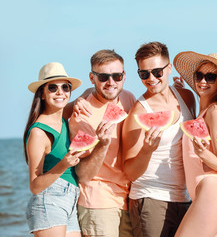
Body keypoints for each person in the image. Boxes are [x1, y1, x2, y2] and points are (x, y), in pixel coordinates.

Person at [122, 42, 196, 237]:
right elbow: (129, 172)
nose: (151, 79)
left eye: (157, 72)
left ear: (169, 68)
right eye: (144, 74)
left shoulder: (187, 97)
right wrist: (147, 150)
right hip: (150, 198)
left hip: (184, 196)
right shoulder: (138, 113)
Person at [68, 49, 136, 237]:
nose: (111, 82)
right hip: (98, 202)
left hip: (128, 198)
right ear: (92, 78)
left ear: (124, 76)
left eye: (117, 76)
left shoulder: (128, 98)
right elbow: (83, 174)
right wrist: (102, 144)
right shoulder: (81, 116)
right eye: (104, 77)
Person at [172, 52, 217, 237]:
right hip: (205, 195)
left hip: (212, 192)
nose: (203, 81)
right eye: (199, 76)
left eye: (210, 77)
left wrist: (203, 154)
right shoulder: (202, 113)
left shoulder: (216, 111)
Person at [23, 62, 84, 236]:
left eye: (65, 87)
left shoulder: (64, 119)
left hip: (71, 199)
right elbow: (35, 186)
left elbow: (87, 96)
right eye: (52, 88)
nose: (60, 93)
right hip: (49, 200)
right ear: (42, 94)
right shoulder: (39, 132)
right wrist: (63, 164)